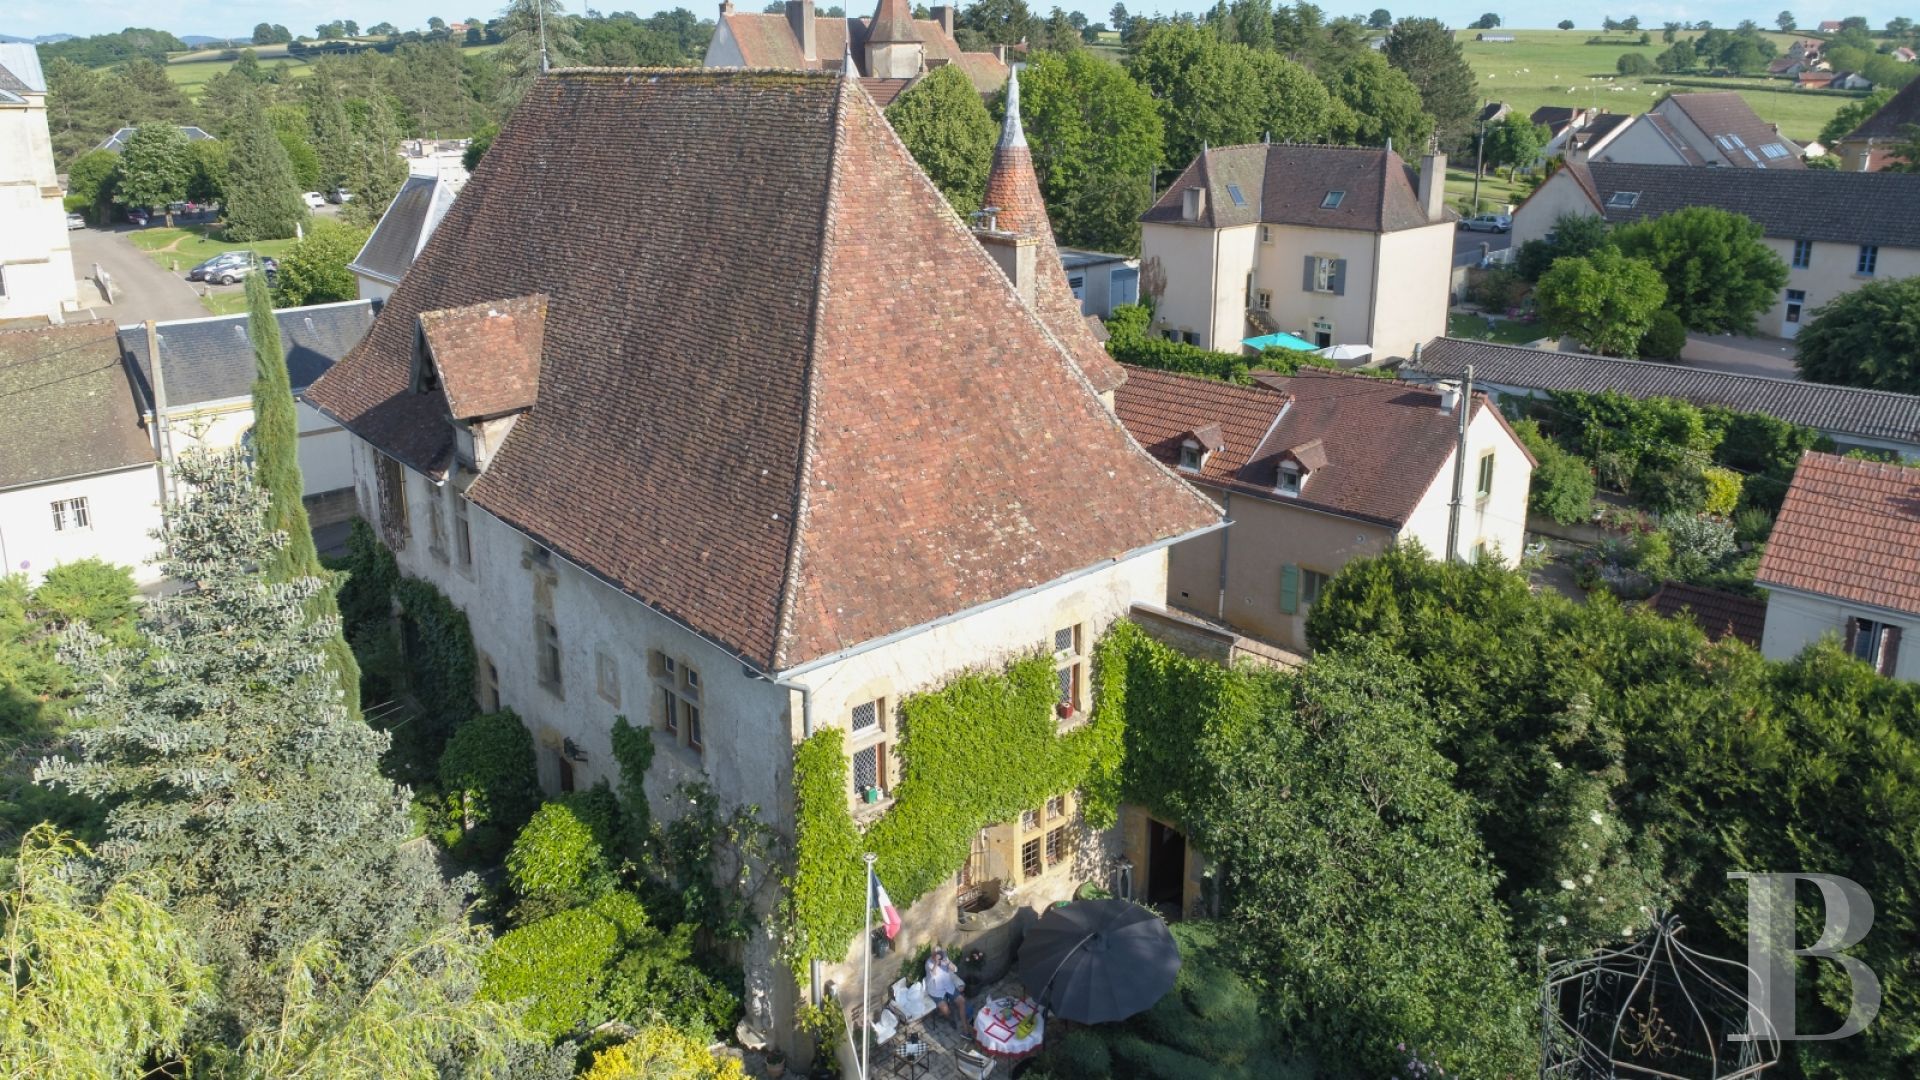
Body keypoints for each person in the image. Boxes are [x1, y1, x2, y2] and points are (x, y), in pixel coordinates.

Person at [925, 946, 968, 1026]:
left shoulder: (945, 958)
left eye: (939, 953)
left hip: (948, 986)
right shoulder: (929, 963)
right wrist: (936, 963)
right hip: (936, 990)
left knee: (962, 1001)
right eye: (935, 954)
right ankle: (949, 1017)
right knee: (945, 1010)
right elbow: (933, 974)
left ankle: (965, 1022)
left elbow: (955, 969)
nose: (938, 956)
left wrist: (948, 963)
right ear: (932, 955)